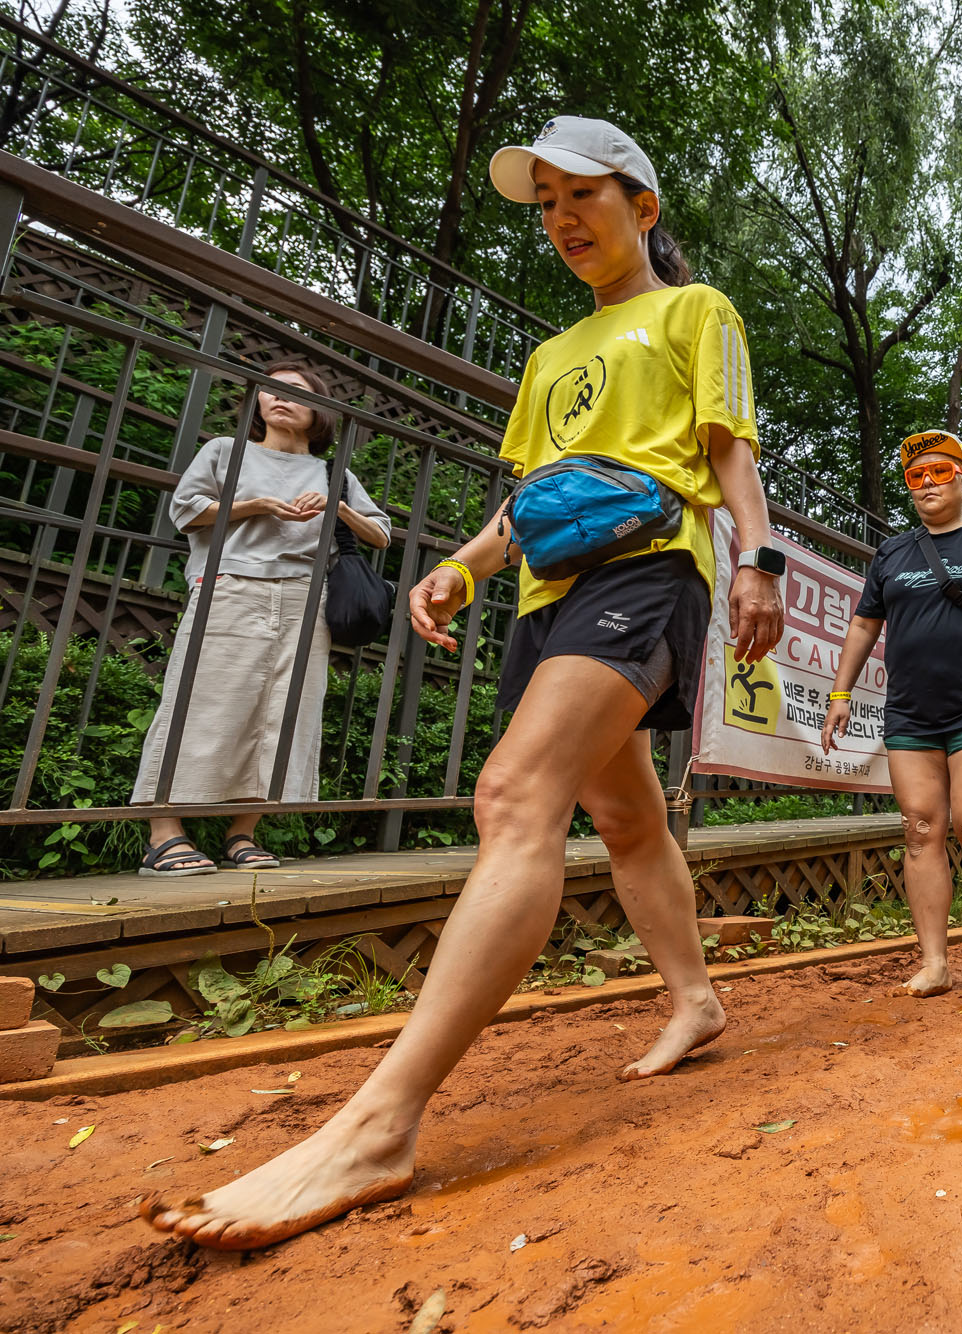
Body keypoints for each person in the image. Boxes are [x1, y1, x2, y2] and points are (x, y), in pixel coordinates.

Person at [144, 116, 785, 1250]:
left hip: (647, 567)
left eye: (576, 194)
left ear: (641, 204)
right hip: (547, 593)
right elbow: (524, 500)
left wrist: (758, 559)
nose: (558, 220)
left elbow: (727, 447)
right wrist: (456, 566)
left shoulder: (696, 310)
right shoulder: (546, 358)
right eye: (541, 205)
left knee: (510, 798)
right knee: (626, 819)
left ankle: (381, 1122)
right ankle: (695, 996)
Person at [131, 362, 392, 876]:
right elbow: (185, 510)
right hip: (230, 585)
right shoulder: (225, 451)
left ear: (319, 410)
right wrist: (254, 505)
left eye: (295, 391)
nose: (279, 398)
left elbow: (381, 534)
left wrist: (337, 507)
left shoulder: (332, 472)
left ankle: (242, 833)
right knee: (199, 702)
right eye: (270, 390)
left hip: (305, 596)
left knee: (283, 714)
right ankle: (163, 833)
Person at [821, 429, 962, 997]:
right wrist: (840, 694)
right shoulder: (892, 553)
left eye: (939, 472)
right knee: (920, 829)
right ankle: (935, 961)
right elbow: (865, 624)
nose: (927, 484)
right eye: (916, 477)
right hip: (910, 713)